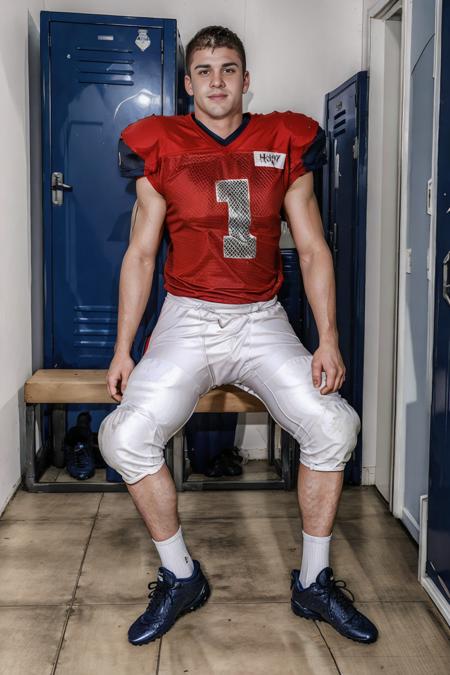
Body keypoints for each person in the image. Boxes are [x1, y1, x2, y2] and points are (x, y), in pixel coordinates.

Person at [98, 25, 378, 647]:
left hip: (261, 318)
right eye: (204, 71)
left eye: (229, 69)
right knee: (123, 437)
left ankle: (314, 581)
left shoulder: (285, 138)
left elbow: (311, 249)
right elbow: (140, 256)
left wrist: (327, 337)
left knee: (336, 426)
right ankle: (180, 576)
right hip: (188, 317)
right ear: (187, 82)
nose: (217, 81)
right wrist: (122, 348)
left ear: (246, 80)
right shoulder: (162, 146)